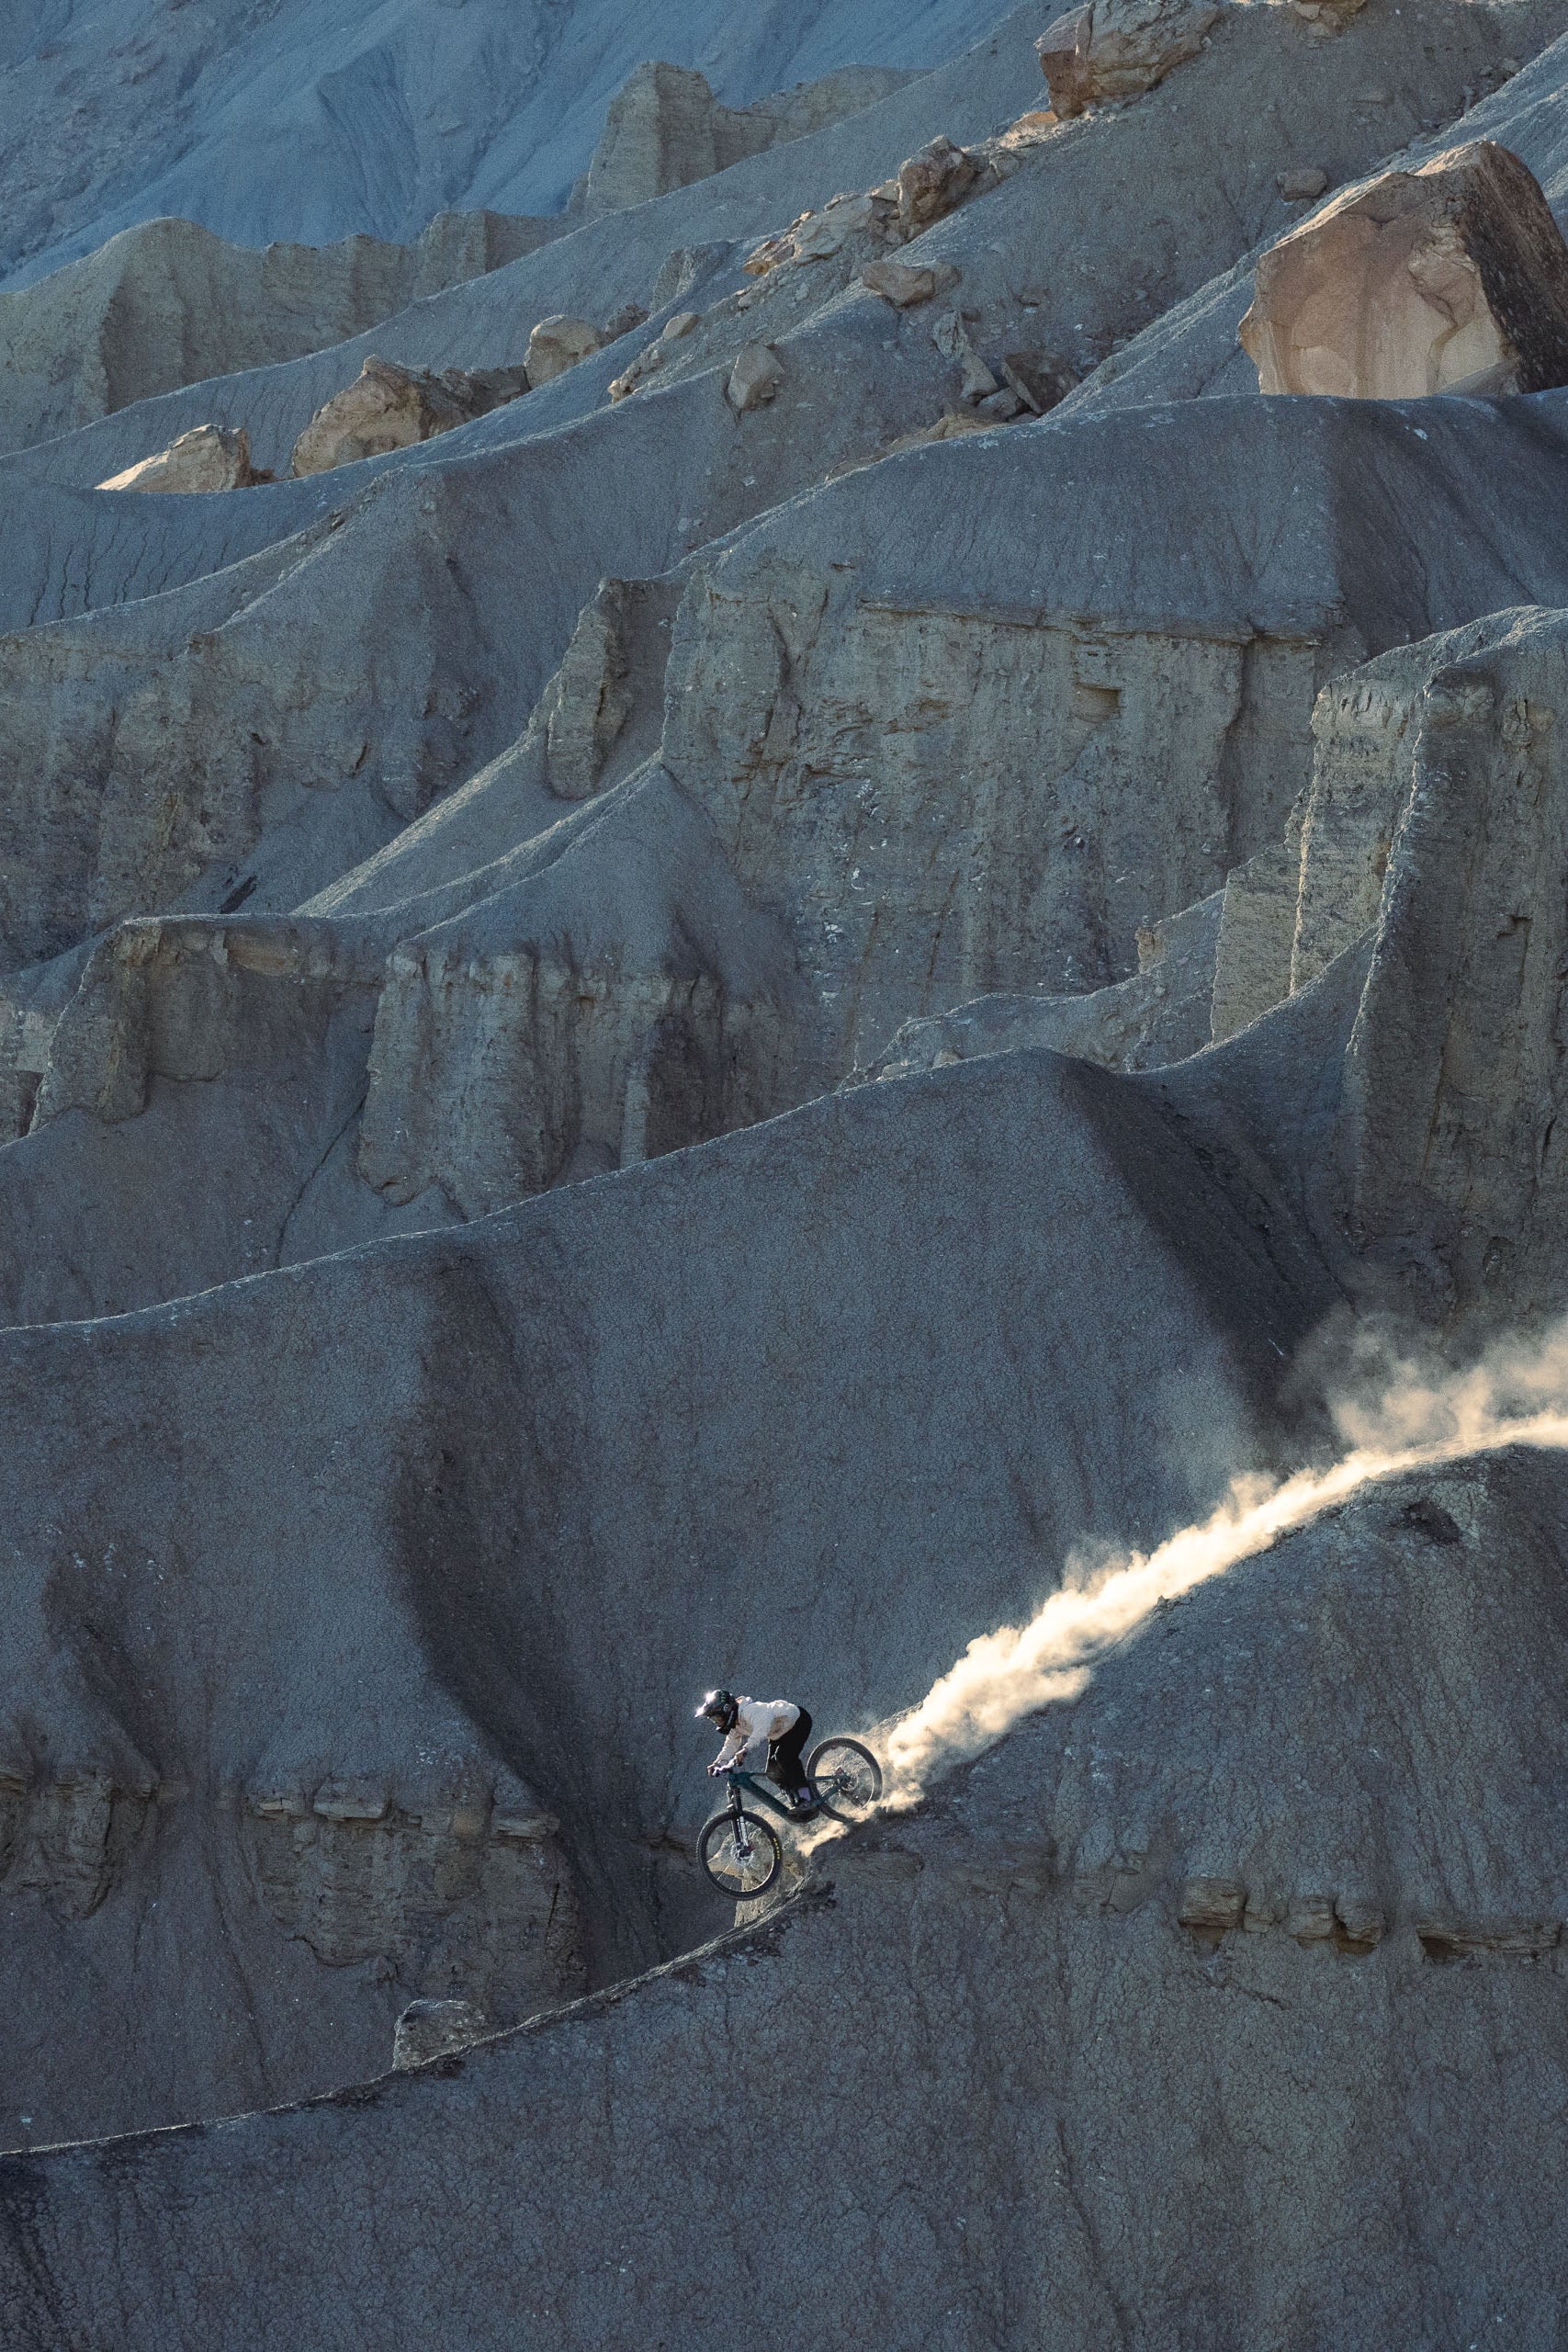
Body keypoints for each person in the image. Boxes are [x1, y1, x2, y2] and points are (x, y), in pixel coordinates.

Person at [696, 1688, 814, 1809]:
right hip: (777, 1733)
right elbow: (730, 1745)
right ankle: (796, 1799)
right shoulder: (735, 1725)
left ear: (727, 1710)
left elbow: (761, 1730)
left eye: (717, 1718)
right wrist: (718, 1763)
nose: (717, 1722)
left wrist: (746, 1749)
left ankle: (806, 1798)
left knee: (784, 1758)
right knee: (772, 1772)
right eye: (714, 1720)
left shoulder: (750, 1711)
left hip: (797, 1722)